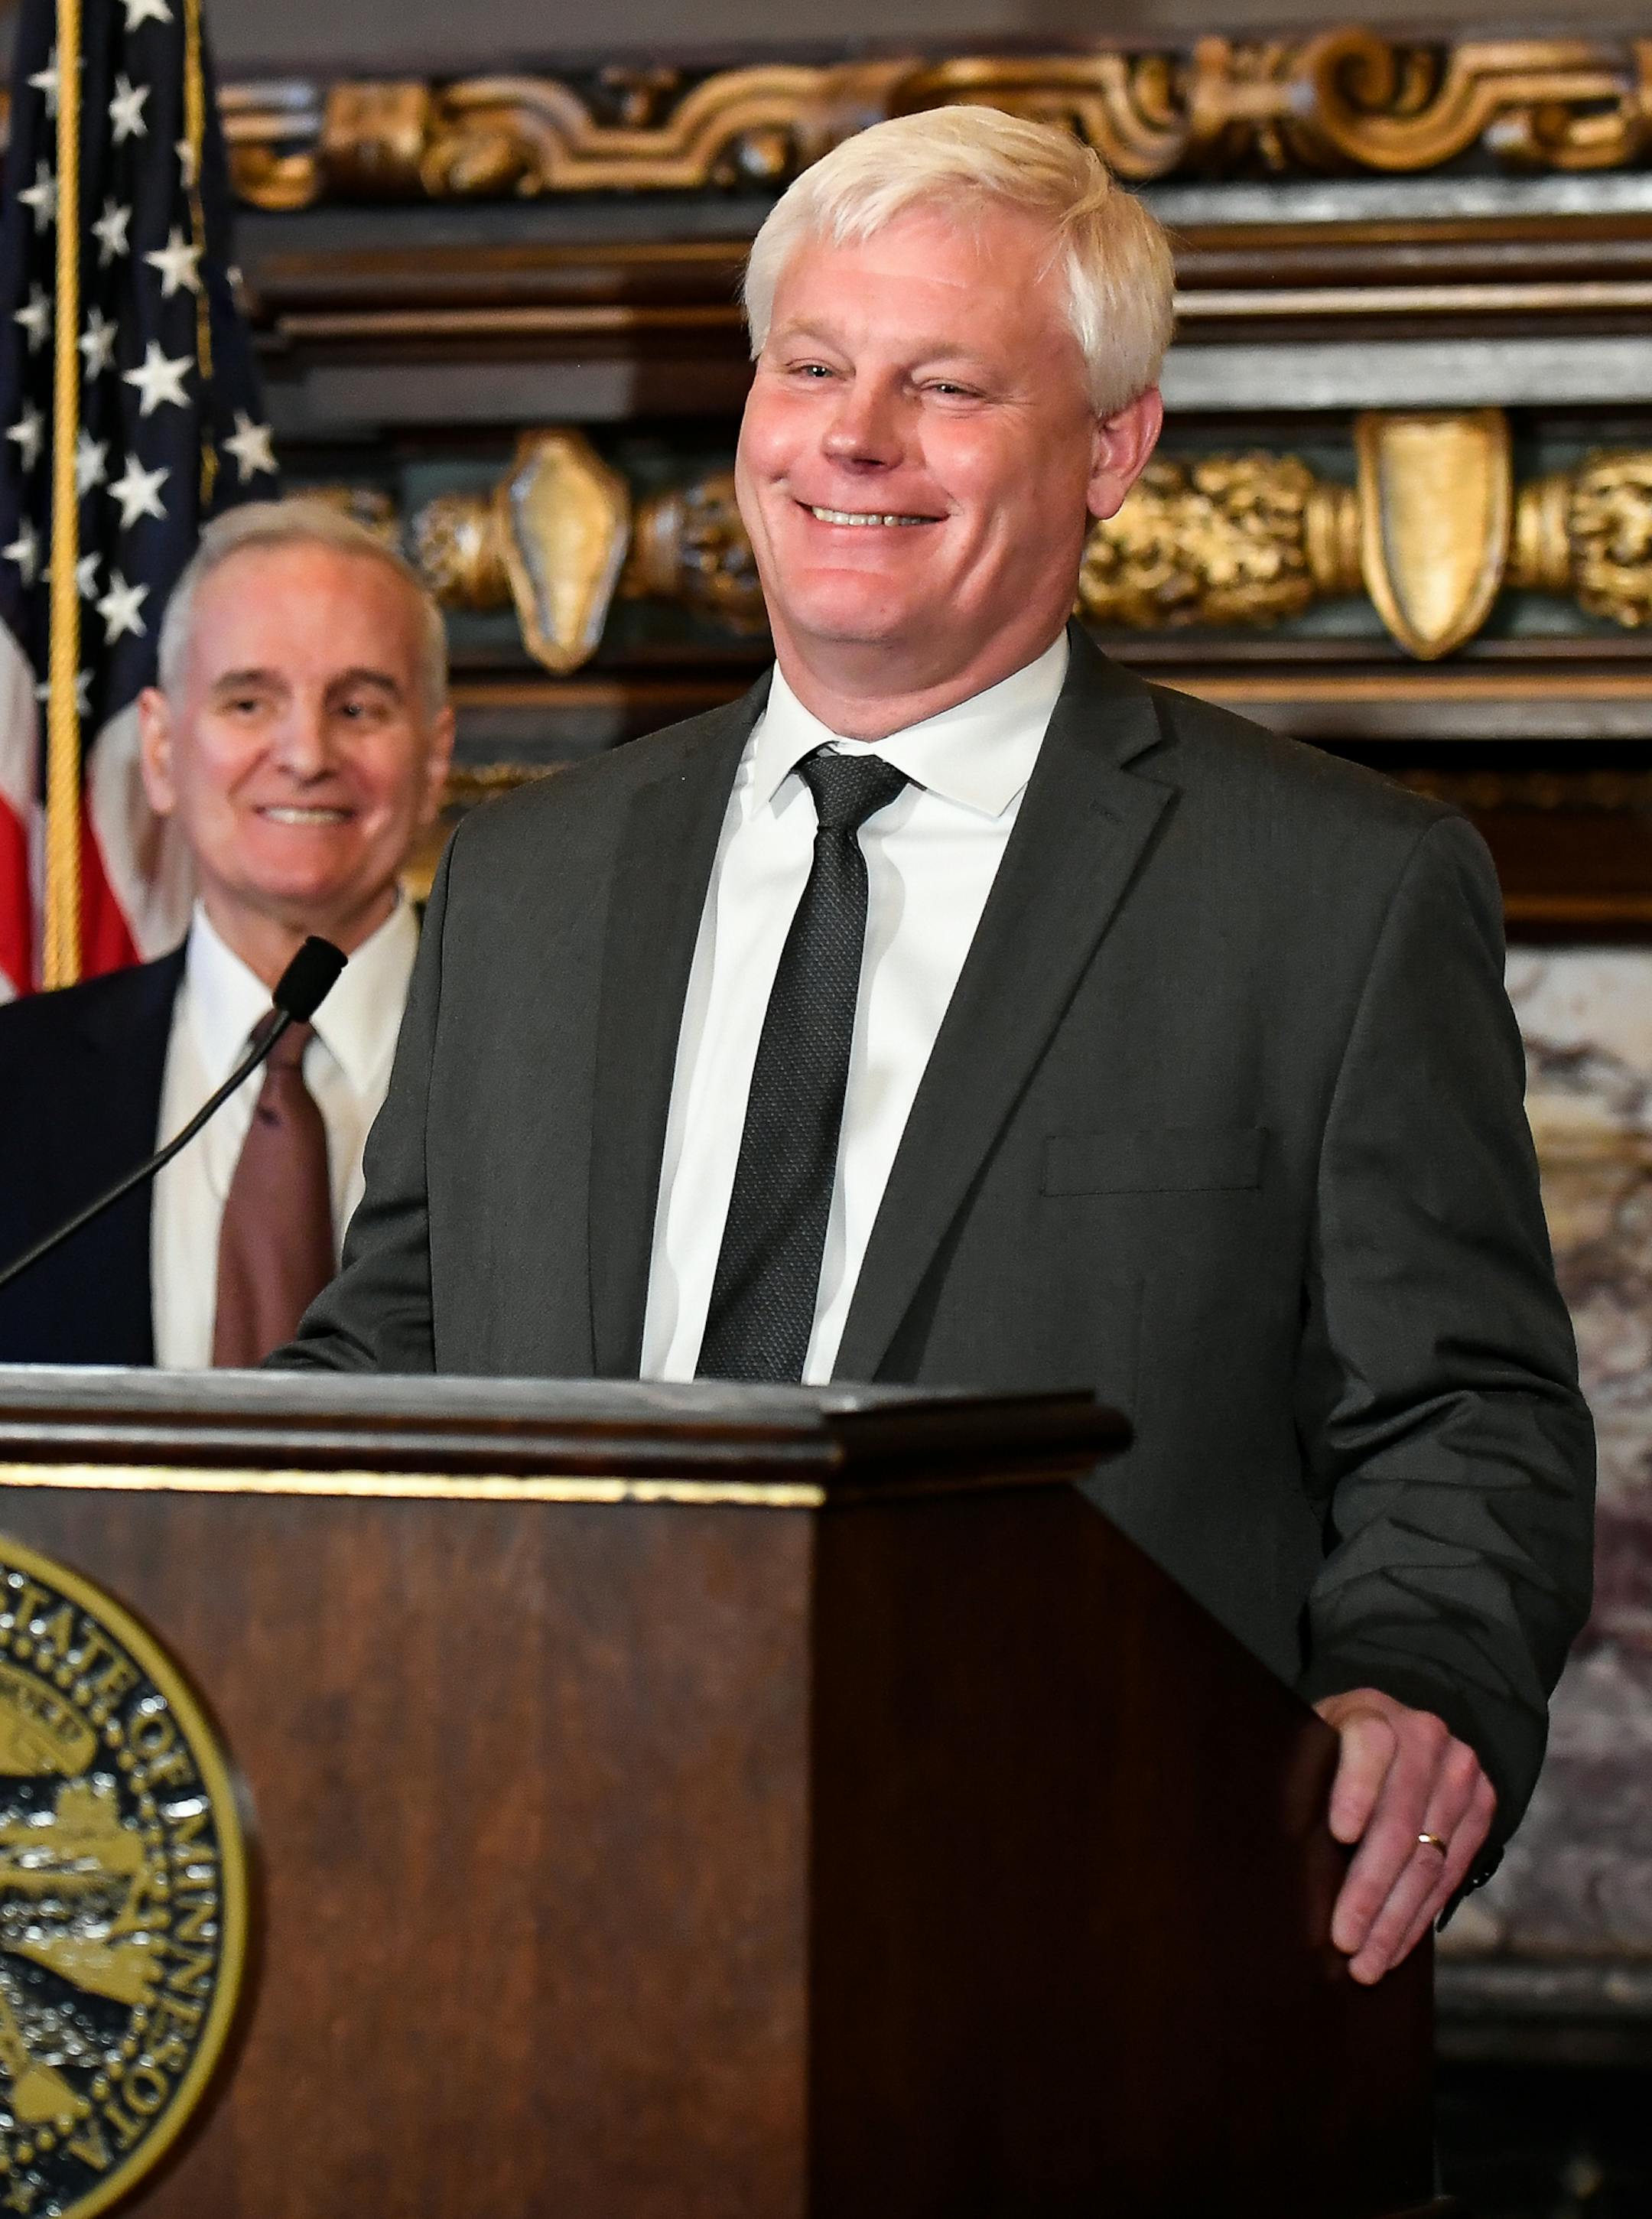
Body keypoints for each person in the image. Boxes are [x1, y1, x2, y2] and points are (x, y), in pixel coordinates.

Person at [278, 111, 1595, 1984]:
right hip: (535, 1916)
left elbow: (1459, 1413)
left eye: (945, 384)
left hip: (1086, 1945)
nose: (852, 436)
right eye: (808, 365)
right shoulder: (523, 878)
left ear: (1114, 450)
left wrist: (1414, 1679)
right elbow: (394, 1355)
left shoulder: (1333, 897)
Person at [0, 499, 455, 1368]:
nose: (305, 753)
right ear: (164, 752)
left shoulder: (558, 1069)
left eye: (358, 708)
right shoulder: (11, 1086)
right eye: (249, 702)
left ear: (434, 758)